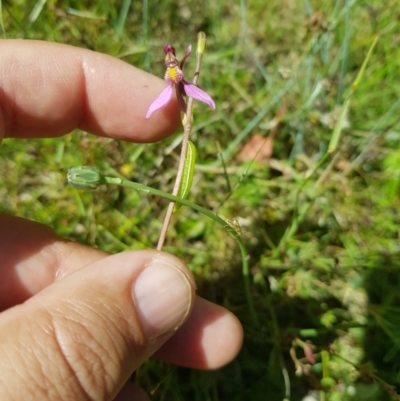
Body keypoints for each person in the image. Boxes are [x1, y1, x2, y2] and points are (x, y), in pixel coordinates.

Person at [0, 40, 243, 401]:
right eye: (169, 64)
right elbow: (164, 101)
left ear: (184, 63)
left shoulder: (184, 88)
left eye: (176, 63)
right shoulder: (170, 91)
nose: (172, 67)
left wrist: (191, 89)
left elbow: (192, 96)